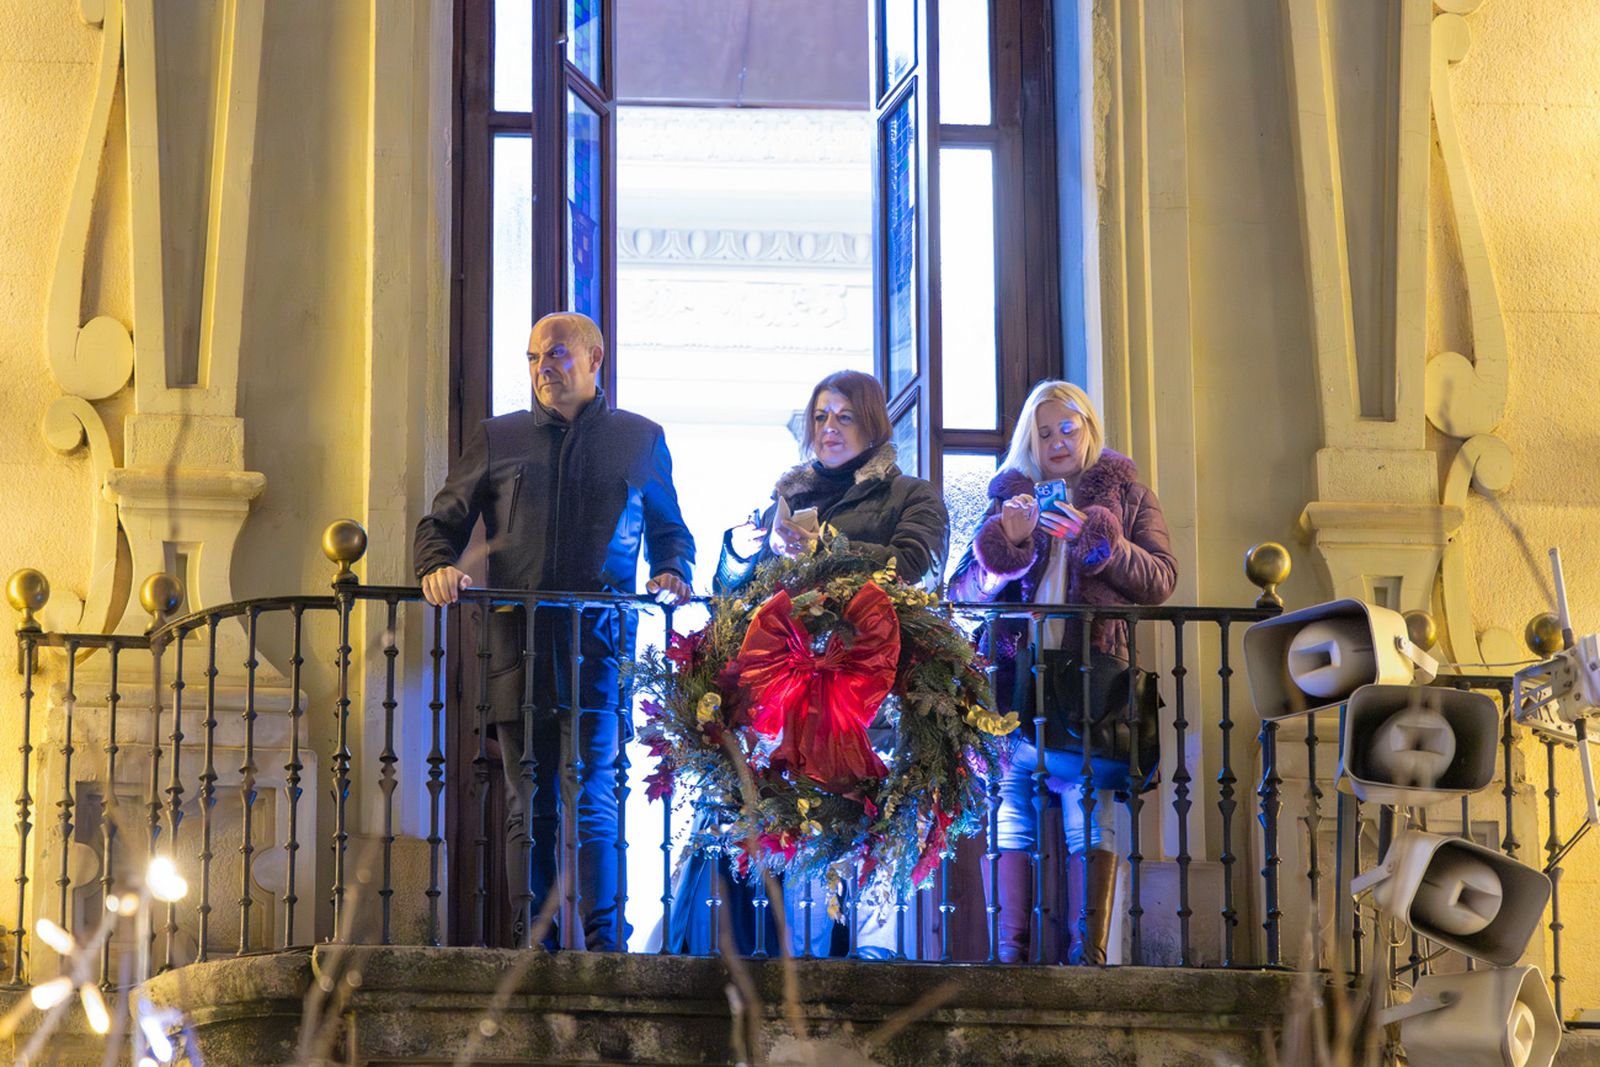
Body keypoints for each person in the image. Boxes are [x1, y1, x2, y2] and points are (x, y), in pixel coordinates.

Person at [414, 311, 694, 950]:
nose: (545, 368)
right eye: (535, 358)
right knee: (528, 801)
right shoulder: (498, 438)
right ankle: (530, 944)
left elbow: (670, 532)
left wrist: (673, 571)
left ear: (596, 359)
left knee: (595, 796)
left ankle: (606, 943)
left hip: (600, 650)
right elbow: (441, 524)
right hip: (517, 648)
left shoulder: (640, 440)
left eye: (559, 354)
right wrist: (437, 568)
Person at [671, 369, 949, 957]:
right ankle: (768, 965)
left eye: (844, 416)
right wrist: (742, 550)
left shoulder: (910, 494)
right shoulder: (787, 498)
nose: (829, 428)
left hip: (863, 700)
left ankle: (844, 964)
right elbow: (735, 594)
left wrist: (826, 547)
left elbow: (911, 562)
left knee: (846, 841)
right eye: (820, 416)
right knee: (775, 835)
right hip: (781, 700)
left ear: (873, 423)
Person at [947, 379, 1176, 963]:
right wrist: (1006, 547)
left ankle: (1089, 957)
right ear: (1030, 439)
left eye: (1066, 428)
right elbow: (962, 592)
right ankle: (1009, 953)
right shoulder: (1006, 499)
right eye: (1043, 431)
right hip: (1012, 679)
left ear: (1088, 429)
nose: (1056, 440)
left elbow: (1160, 580)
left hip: (1093, 678)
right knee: (1010, 804)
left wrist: (1095, 541)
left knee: (1088, 806)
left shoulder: (1129, 496)